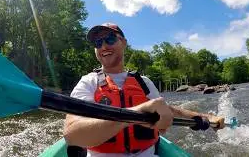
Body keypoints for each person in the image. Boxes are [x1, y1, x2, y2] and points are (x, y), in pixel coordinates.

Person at [63, 23, 225, 157]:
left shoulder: (144, 82)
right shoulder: (88, 82)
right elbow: (73, 135)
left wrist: (206, 117)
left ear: (124, 42)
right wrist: (134, 114)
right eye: (98, 43)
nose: (104, 46)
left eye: (110, 39)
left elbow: (169, 110)